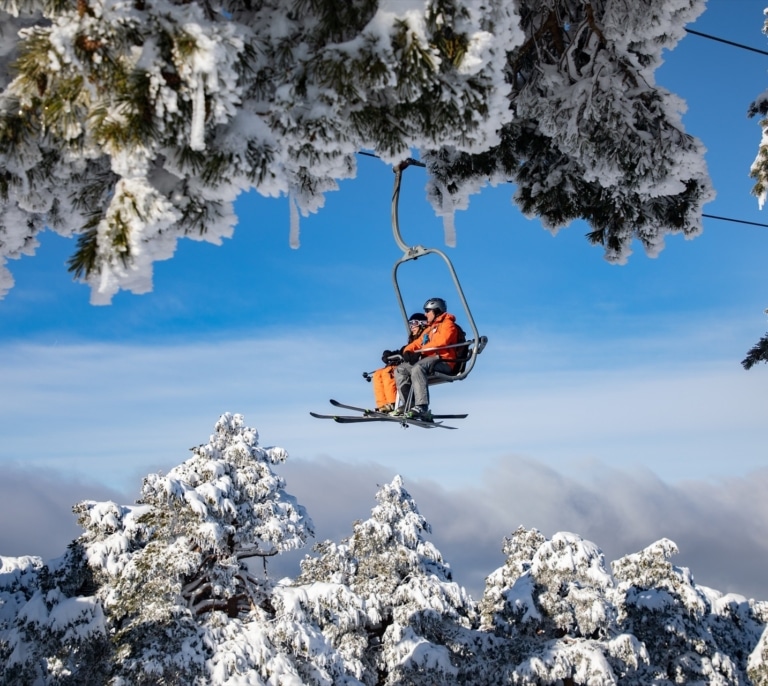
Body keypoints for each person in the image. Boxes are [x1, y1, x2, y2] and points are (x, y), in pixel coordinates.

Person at [391, 297, 461, 421]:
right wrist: (407, 351)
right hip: (429, 360)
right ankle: (409, 403)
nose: (425, 314)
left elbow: (441, 342)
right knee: (400, 369)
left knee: (418, 367)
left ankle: (422, 406)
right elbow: (417, 342)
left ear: (437, 311)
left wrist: (420, 352)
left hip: (444, 360)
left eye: (428, 311)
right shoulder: (430, 328)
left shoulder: (448, 325)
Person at [371, 313, 428, 413]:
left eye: (414, 323)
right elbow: (402, 350)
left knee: (388, 372)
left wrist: (410, 357)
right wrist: (389, 354)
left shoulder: (424, 338)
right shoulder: (412, 342)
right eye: (410, 324)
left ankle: (392, 403)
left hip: (414, 366)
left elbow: (423, 351)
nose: (412, 327)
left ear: (422, 324)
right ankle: (383, 404)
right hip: (406, 364)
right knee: (377, 373)